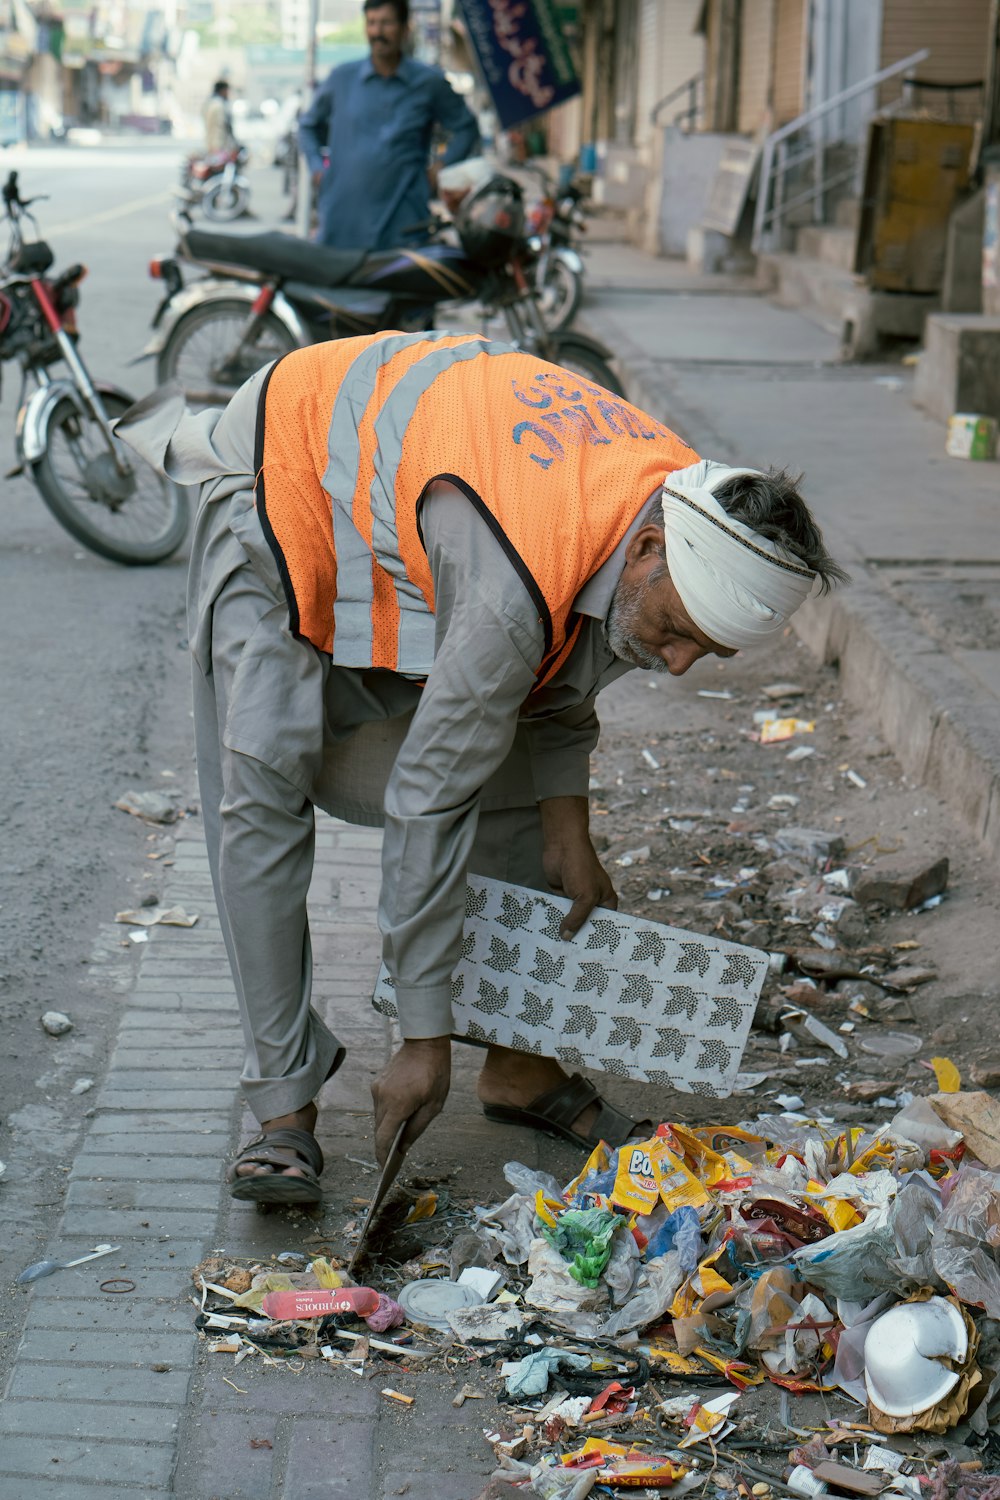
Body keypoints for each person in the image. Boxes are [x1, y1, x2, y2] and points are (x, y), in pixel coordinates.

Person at [116, 331, 847, 1204]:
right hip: (281, 476)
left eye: (708, 651)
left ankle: (519, 1068)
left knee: (502, 757)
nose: (681, 665)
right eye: (679, 634)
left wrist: (564, 818)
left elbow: (564, 668)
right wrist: (422, 1040)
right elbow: (431, 793)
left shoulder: (685, 507)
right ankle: (283, 1110)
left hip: (422, 505)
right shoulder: (522, 578)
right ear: (647, 549)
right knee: (265, 778)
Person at [298, 0, 479, 250]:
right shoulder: (342, 78)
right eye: (371, 23)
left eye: (386, 23)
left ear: (406, 28)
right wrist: (318, 169)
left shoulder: (429, 82)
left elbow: (467, 128)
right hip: (343, 220)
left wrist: (440, 168)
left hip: (403, 221)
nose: (377, 32)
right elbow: (308, 126)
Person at [203, 78, 235, 156]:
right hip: (219, 145)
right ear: (223, 90)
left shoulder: (210, 103)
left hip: (212, 143)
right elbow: (219, 127)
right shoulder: (219, 105)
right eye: (227, 91)